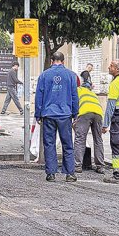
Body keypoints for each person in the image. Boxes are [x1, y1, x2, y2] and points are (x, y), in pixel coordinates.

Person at [35, 52, 79, 182]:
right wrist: (75, 113)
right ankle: (70, 173)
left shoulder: (44, 75)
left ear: (52, 61)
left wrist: (38, 114)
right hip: (65, 114)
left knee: (49, 143)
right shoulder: (71, 75)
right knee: (67, 144)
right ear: (63, 61)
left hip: (48, 113)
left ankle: (51, 173)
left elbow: (39, 96)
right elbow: (74, 96)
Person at [74, 78, 105, 174]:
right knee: (98, 139)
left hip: (84, 113)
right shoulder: (93, 94)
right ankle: (100, 166)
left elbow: (74, 104)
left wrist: (74, 119)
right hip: (98, 114)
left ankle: (77, 165)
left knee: (80, 139)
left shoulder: (78, 90)